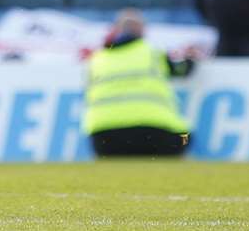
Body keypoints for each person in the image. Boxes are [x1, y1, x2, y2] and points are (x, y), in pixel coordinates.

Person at [82, 9, 194, 158]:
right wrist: (191, 57)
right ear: (142, 31)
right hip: (156, 135)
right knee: (186, 138)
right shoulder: (153, 53)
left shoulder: (97, 59)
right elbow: (182, 69)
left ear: (115, 30)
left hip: (104, 140)